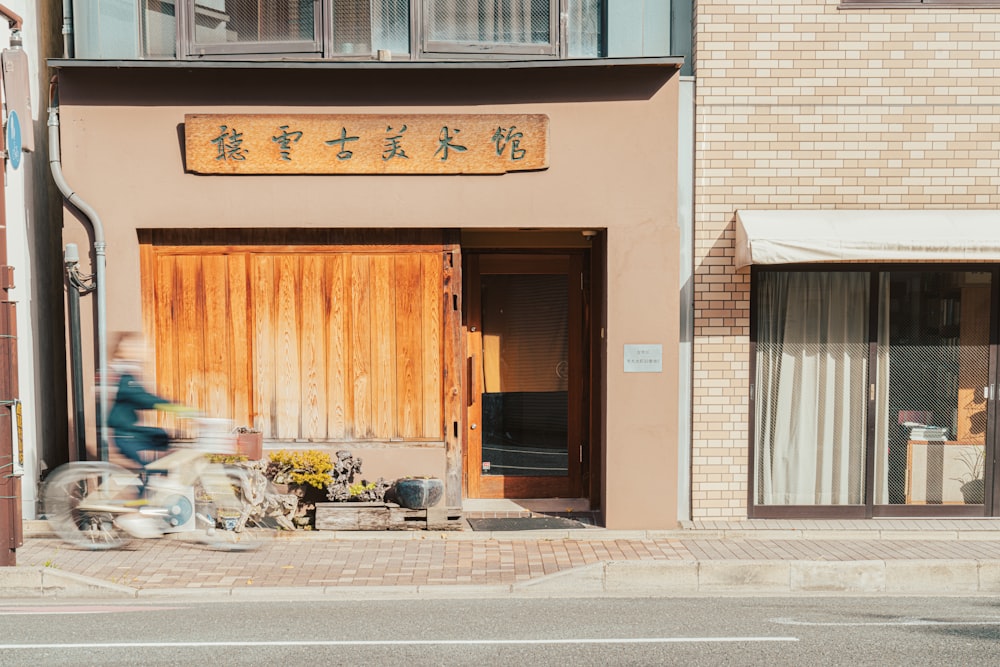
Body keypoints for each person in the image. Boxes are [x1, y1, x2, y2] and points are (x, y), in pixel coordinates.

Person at [106, 333, 181, 467]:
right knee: (149, 470)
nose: (145, 350)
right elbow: (142, 398)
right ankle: (153, 482)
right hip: (126, 435)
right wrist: (175, 407)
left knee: (167, 439)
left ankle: (162, 477)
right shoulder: (124, 376)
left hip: (130, 431)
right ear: (125, 351)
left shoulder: (130, 372)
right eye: (138, 347)